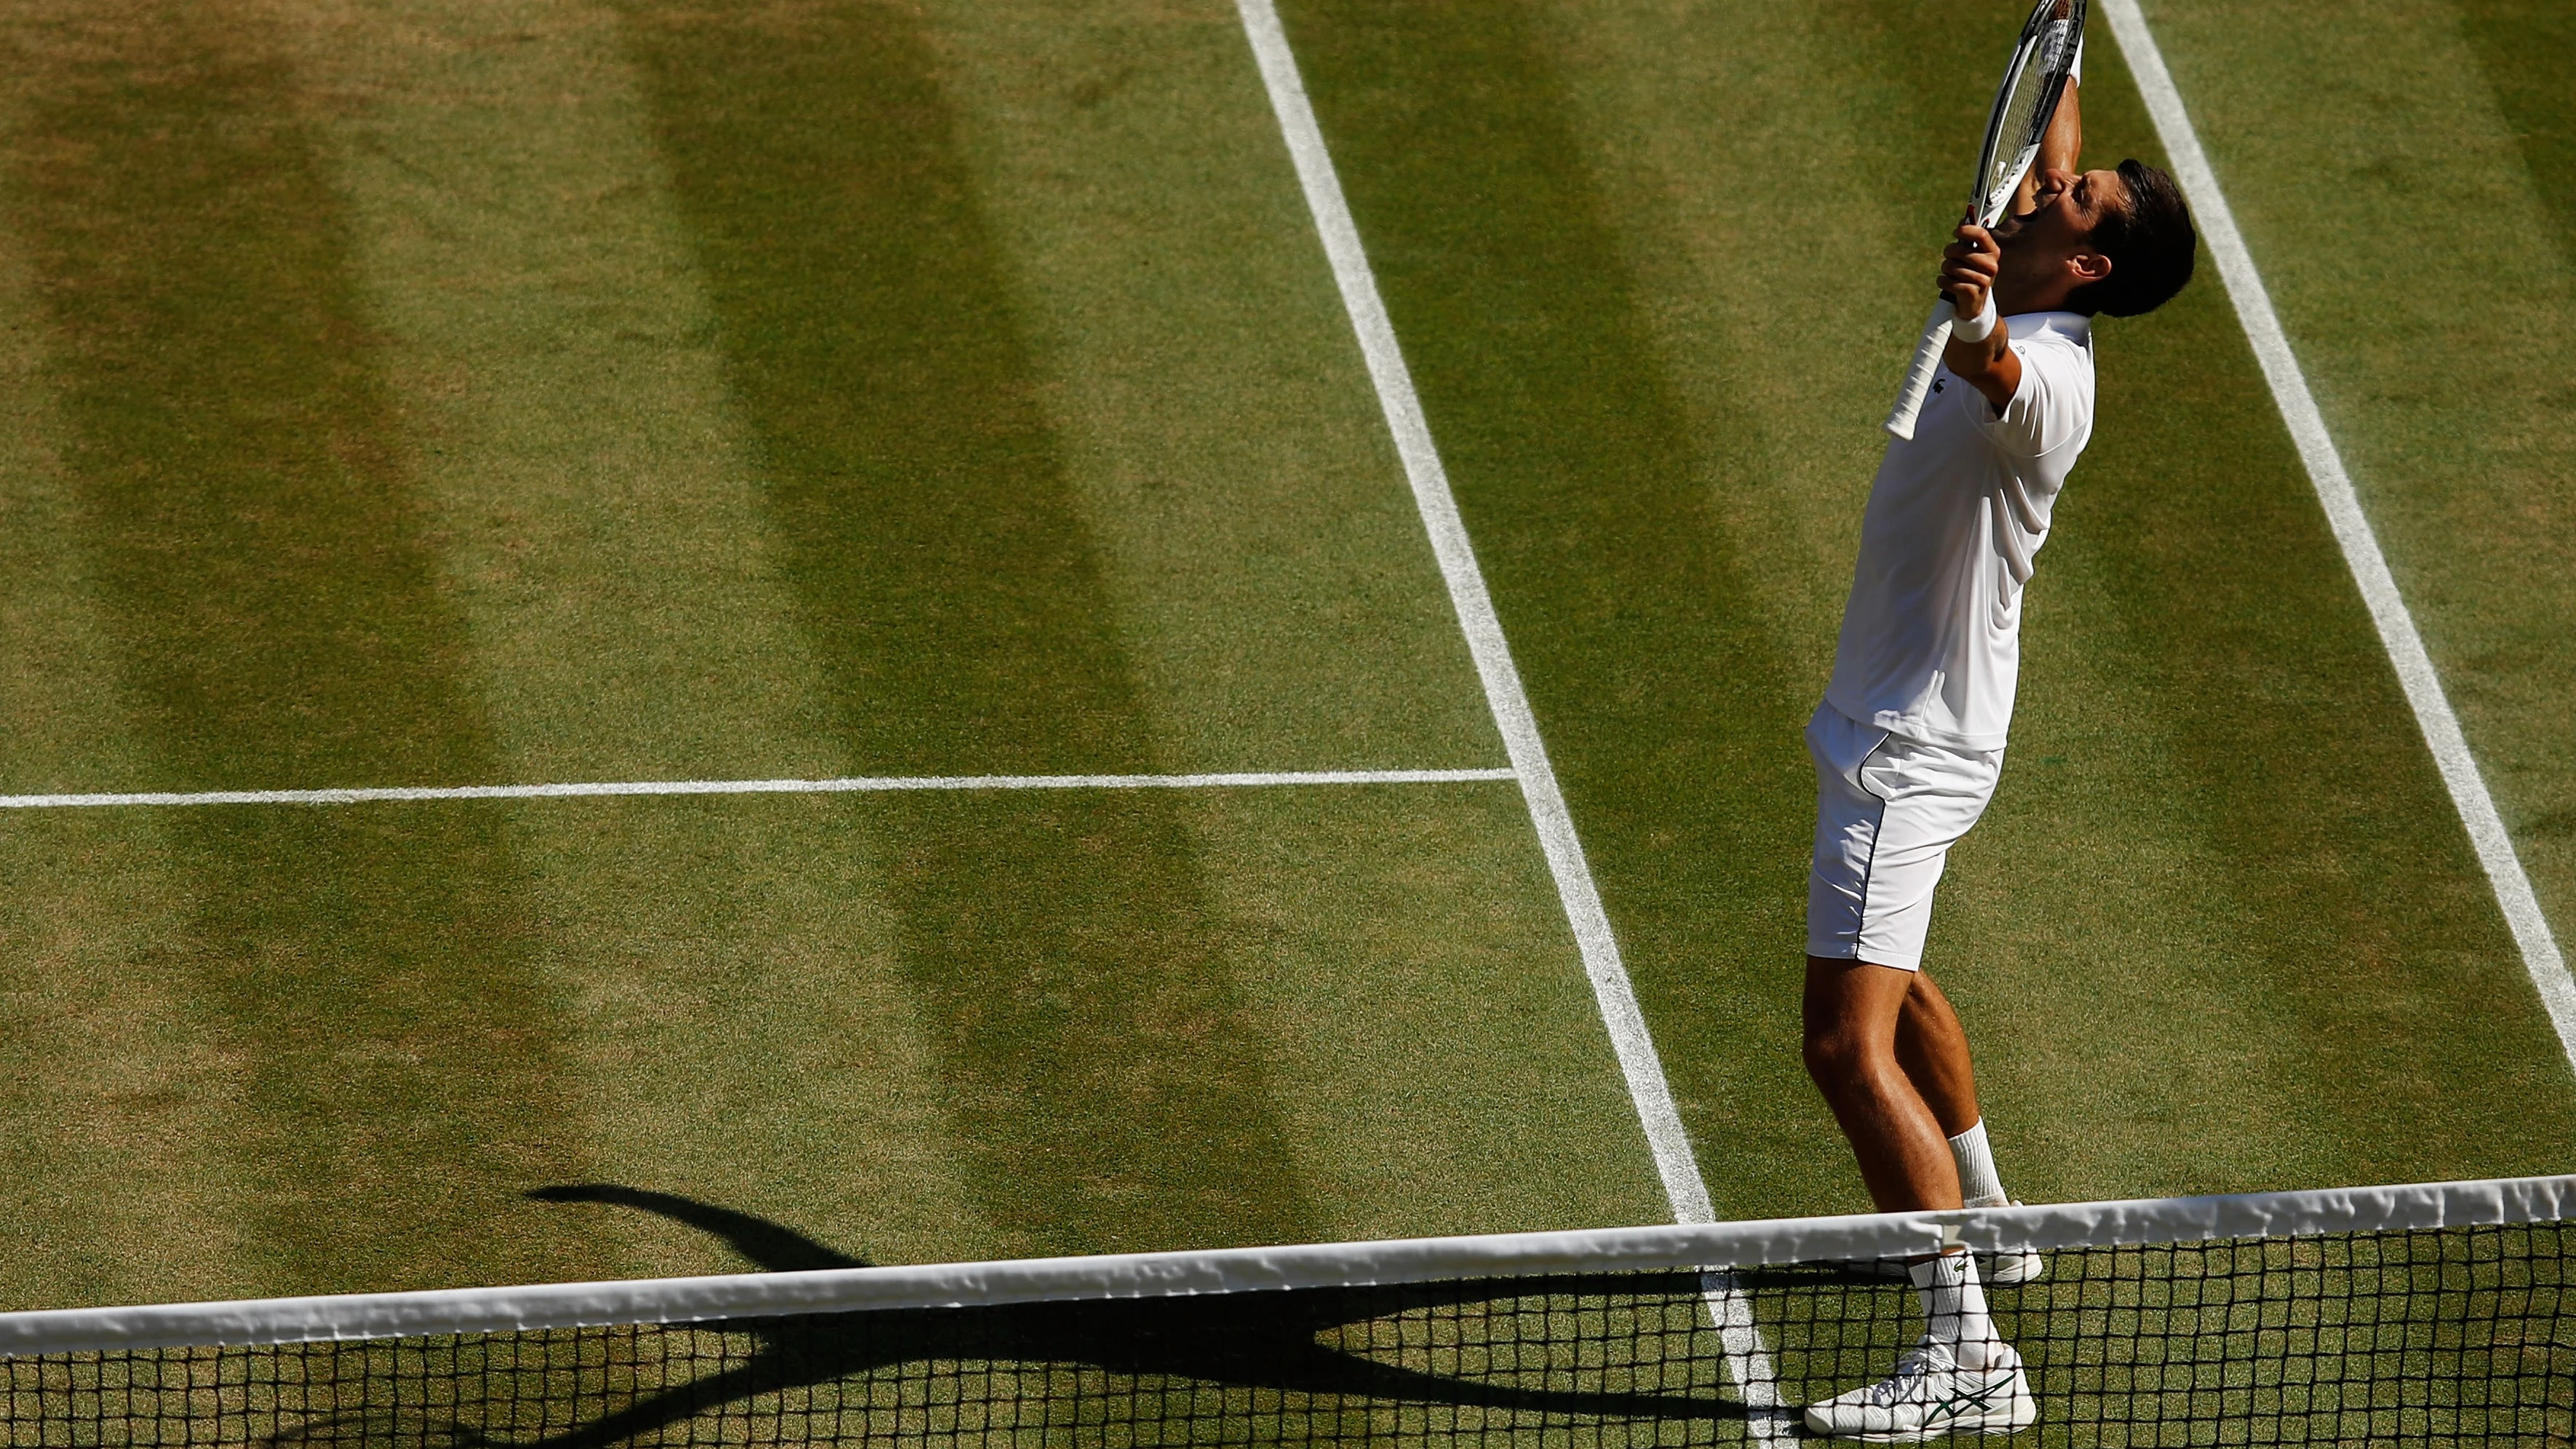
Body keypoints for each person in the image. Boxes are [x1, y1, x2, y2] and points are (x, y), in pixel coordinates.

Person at [1797, 46, 2199, 1445]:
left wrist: (1972, 316)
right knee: (1902, 994)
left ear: (2083, 271)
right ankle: (1998, 1215)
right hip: (1917, 722)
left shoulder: (2054, 386)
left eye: (2068, 204)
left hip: (1906, 749)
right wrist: (2069, 38)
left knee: (1845, 1050)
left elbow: (1999, 372)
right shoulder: (2055, 259)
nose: (2040, 192)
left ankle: (1967, 1349)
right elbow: (2053, 138)